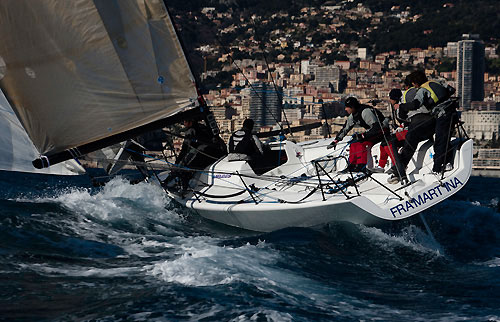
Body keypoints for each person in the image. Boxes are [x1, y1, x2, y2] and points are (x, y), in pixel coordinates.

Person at [389, 71, 455, 183]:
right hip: (450, 111)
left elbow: (415, 105)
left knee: (438, 140)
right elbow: (451, 90)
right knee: (443, 138)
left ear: (414, 83)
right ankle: (445, 163)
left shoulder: (421, 90)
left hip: (440, 115)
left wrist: (401, 106)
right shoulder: (435, 83)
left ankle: (437, 169)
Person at [328, 97, 389, 172]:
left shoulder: (365, 112)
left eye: (347, 107)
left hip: (381, 131)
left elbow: (376, 127)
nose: (345, 109)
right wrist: (336, 141)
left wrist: (364, 135)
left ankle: (361, 165)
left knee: (361, 142)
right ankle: (352, 165)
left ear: (353, 107)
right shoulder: (353, 116)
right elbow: (345, 128)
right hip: (372, 132)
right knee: (353, 142)